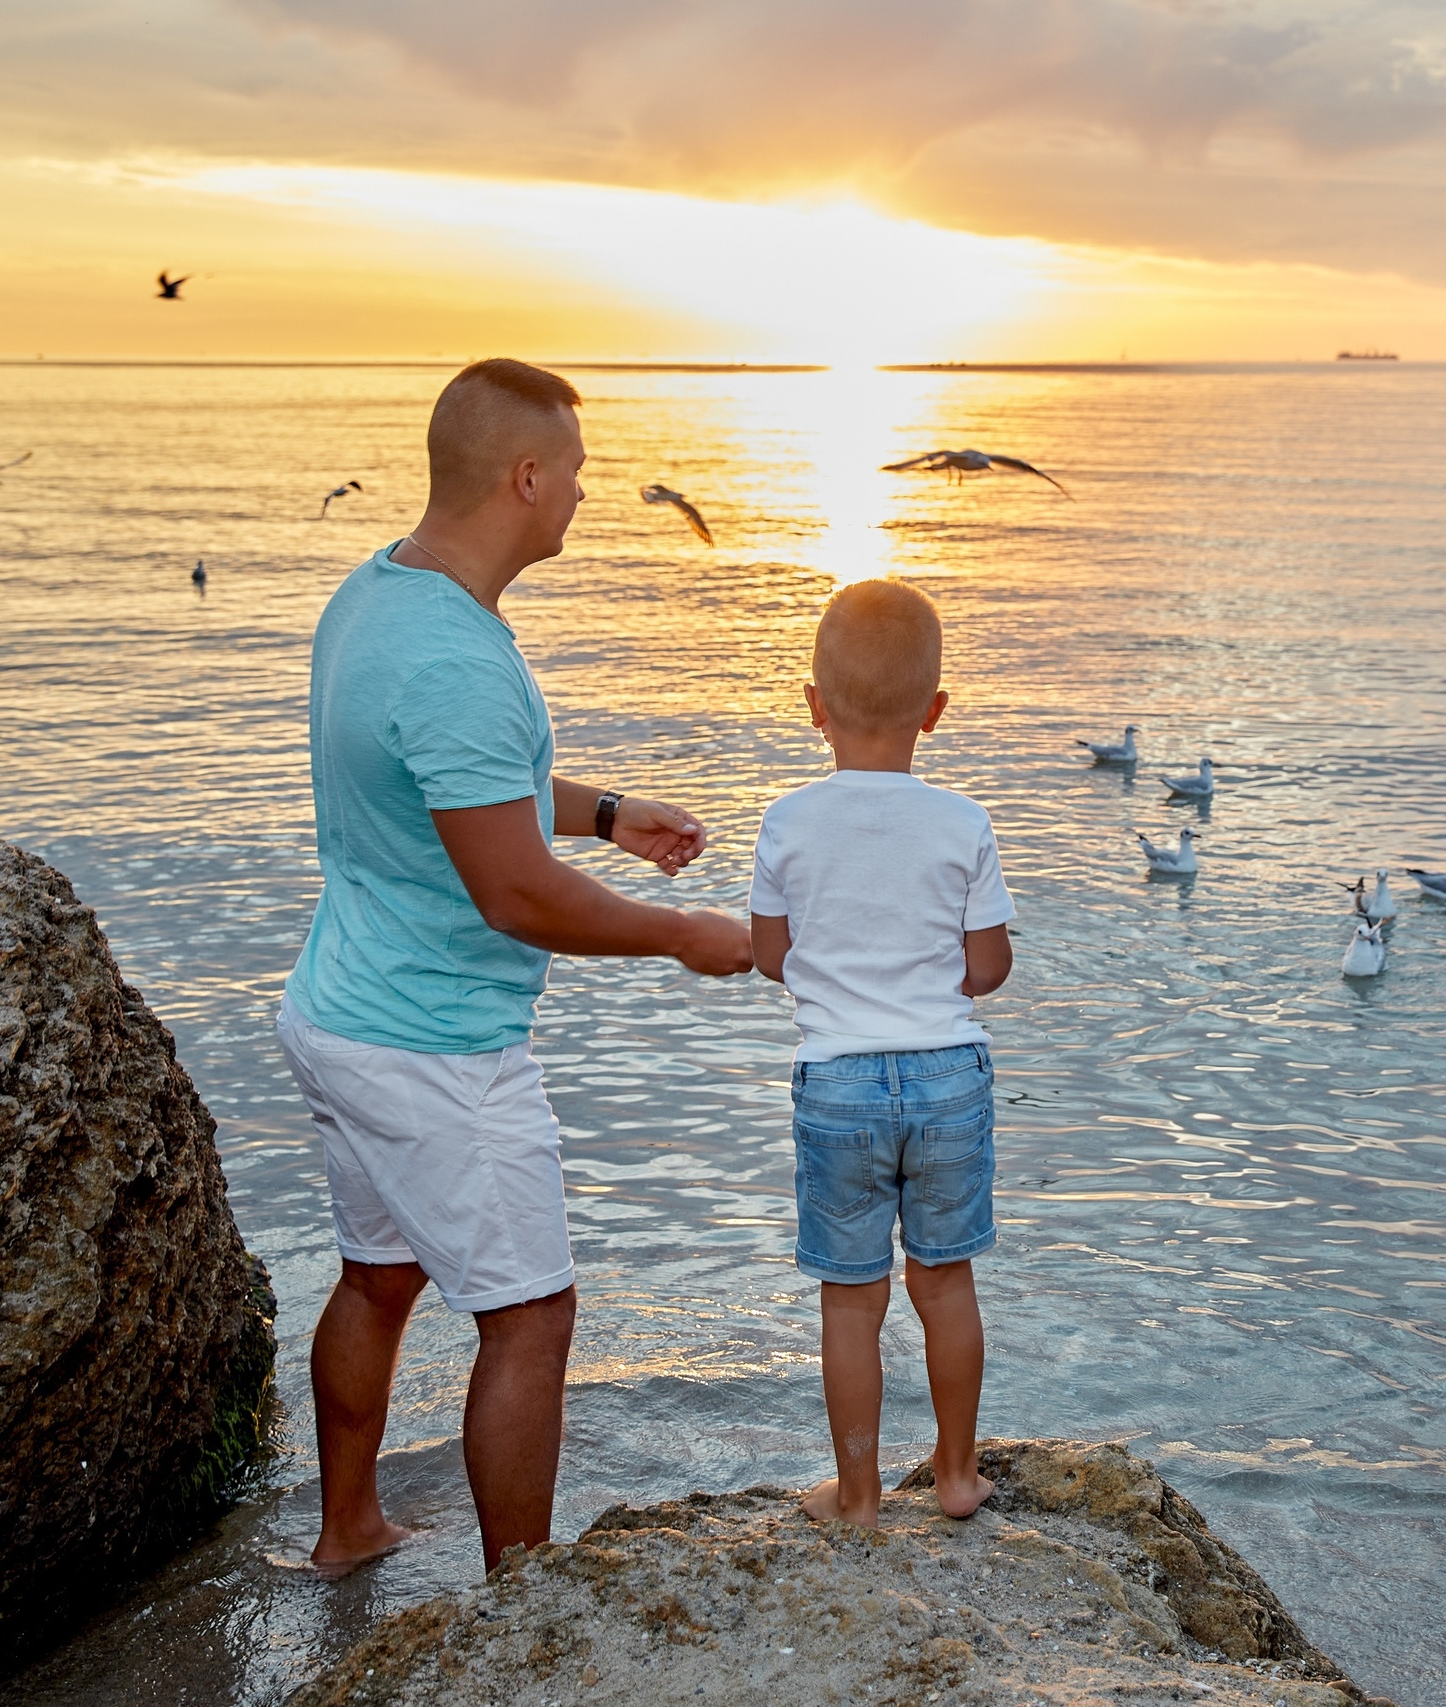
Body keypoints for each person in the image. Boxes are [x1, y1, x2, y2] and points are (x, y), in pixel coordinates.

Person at [276, 358, 757, 1574]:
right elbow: (514, 890)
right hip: (435, 1046)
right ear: (526, 476)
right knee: (532, 1315)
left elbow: (454, 785)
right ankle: (521, 1616)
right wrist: (683, 937)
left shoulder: (380, 594)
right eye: (577, 473)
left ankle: (349, 1529)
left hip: (343, 1011)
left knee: (379, 1277)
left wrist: (605, 813)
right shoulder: (456, 661)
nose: (587, 495)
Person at [746, 577, 1014, 1529]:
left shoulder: (786, 821)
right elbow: (988, 968)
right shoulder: (963, 823)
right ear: (935, 712)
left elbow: (774, 957)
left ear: (813, 707)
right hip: (947, 1078)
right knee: (944, 1286)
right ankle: (953, 1476)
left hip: (839, 1084)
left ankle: (857, 1495)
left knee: (851, 1304)